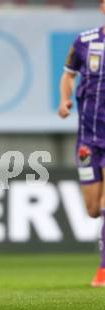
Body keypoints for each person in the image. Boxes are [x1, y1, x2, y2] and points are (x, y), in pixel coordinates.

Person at [58, 1, 105, 287]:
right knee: (93, 208)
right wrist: (64, 99)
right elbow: (68, 74)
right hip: (88, 137)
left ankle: (103, 271)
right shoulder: (85, 41)